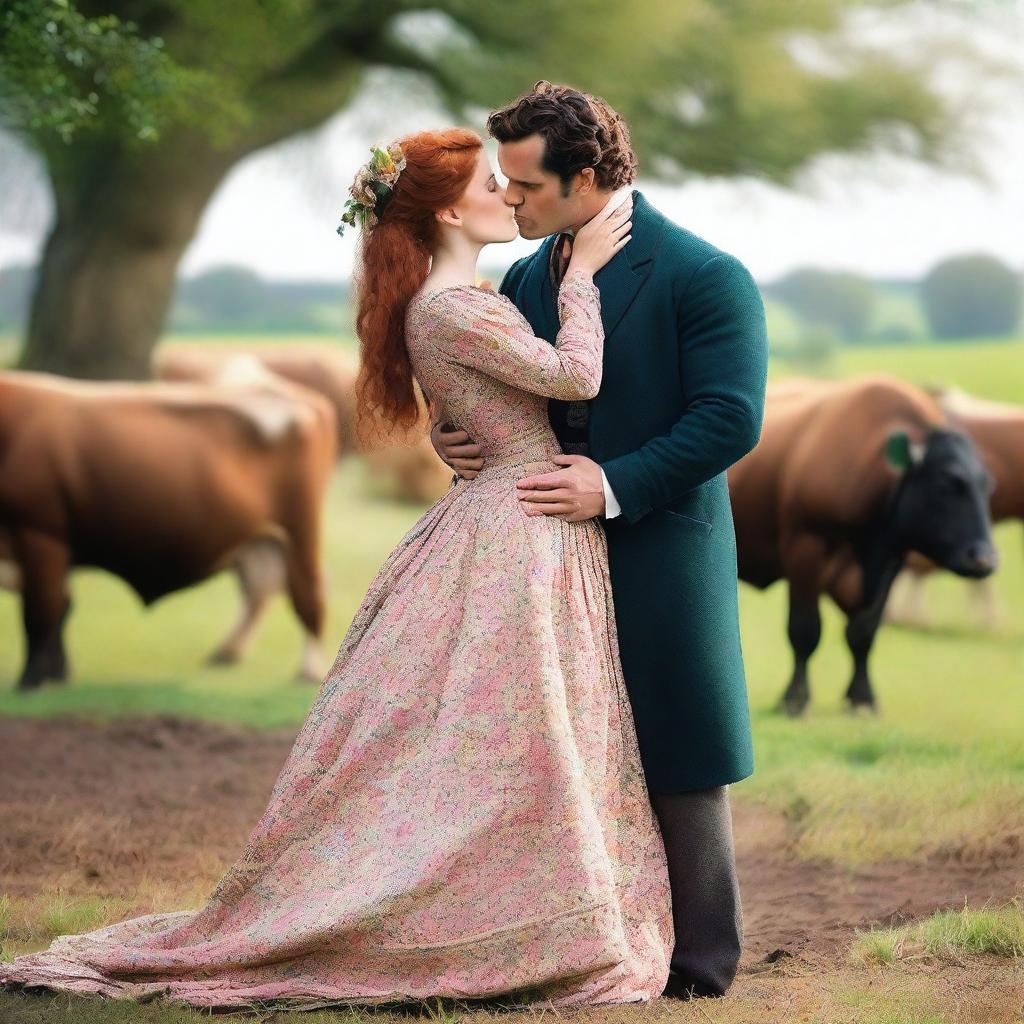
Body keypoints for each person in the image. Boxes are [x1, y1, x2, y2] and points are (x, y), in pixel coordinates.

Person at [0, 127, 673, 1011]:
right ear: (445, 209)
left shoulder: (458, 299)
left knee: (521, 737)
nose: (509, 197)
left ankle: (522, 904)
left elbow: (488, 403)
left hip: (521, 515)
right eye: (490, 185)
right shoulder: (453, 304)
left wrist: (452, 432)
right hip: (519, 524)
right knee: (516, 736)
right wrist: (582, 280)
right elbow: (576, 377)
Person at [431, 82, 769, 999]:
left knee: (679, 743)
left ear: (584, 177)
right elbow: (508, 390)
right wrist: (452, 436)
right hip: (541, 545)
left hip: (661, 538)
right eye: (502, 184)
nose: (511, 202)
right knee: (555, 745)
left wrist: (613, 485)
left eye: (527, 186)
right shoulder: (526, 275)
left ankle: (701, 964)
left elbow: (731, 421)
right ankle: (573, 945)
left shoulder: (705, 273)